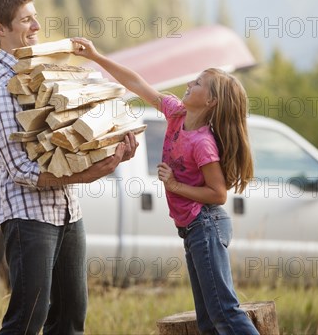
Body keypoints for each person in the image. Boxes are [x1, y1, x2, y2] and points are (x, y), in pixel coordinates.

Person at [0, 0, 138, 335]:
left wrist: (110, 149)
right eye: (26, 19)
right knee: (27, 320)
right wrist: (90, 175)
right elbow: (20, 170)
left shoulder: (41, 71)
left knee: (70, 318)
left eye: (35, 16)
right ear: (0, 28)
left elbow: (67, 141)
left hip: (66, 209)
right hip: (28, 216)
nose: (36, 25)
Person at [72, 37, 259, 335]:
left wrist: (174, 184)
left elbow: (218, 194)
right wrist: (97, 57)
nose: (190, 84)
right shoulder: (176, 114)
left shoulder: (202, 144)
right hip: (193, 229)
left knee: (224, 312)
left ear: (211, 101)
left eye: (198, 84)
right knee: (208, 322)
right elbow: (136, 83)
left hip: (207, 226)